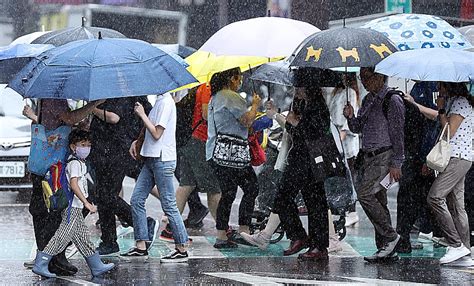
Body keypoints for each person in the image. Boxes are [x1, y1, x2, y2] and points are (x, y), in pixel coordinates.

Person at [22, 99, 103, 274]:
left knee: (49, 212)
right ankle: (50, 258)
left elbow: (54, 124)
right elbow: (68, 118)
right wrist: (92, 106)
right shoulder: (53, 97)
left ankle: (52, 258)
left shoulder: (49, 97)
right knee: (54, 212)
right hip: (51, 167)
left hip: (45, 166)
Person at [32, 130, 115, 278]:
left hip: (76, 207)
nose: (86, 148)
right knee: (62, 236)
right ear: (72, 146)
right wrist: (86, 203)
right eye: (82, 145)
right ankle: (41, 263)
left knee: (83, 238)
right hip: (73, 208)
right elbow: (74, 184)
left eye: (88, 145)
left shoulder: (79, 162)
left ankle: (96, 266)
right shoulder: (75, 163)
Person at [407, 82, 473, 266]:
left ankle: (456, 244)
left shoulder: (461, 103)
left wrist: (442, 109)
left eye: (441, 85)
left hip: (459, 157)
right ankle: (465, 251)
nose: (438, 89)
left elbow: (449, 132)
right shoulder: (454, 101)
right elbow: (441, 125)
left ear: (450, 86)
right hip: (455, 157)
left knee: (435, 197)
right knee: (457, 206)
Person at [343, 67, 405, 263]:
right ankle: (385, 249)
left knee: (365, 194)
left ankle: (390, 237)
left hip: (384, 158)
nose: (364, 82)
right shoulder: (369, 99)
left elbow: (398, 134)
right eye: (361, 78)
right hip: (368, 158)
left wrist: (397, 163)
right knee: (379, 198)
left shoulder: (392, 100)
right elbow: (357, 128)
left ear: (379, 76)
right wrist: (350, 117)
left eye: (367, 77)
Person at [124, 92, 190, 263]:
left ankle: (181, 248)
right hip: (150, 158)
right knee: (137, 200)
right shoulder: (159, 101)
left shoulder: (166, 102)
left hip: (162, 160)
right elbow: (149, 130)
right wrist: (138, 141)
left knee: (169, 205)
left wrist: (142, 114)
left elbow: (157, 133)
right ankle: (141, 245)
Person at [270, 85, 332, 261]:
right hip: (301, 158)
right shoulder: (301, 103)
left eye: (300, 87)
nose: (296, 90)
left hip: (309, 160)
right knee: (313, 202)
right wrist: (292, 122)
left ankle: (311, 242)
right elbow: (298, 134)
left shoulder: (317, 106)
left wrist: (293, 122)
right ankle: (312, 242)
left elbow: (312, 134)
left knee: (306, 201)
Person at [90, 97, 154, 255]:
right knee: (103, 196)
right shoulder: (117, 92)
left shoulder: (121, 93)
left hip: (116, 151)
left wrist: (91, 109)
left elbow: (114, 117)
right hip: (103, 151)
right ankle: (109, 240)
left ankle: (142, 225)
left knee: (107, 196)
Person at [206, 68, 261, 249]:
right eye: (239, 78)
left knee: (228, 193)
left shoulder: (215, 97)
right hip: (233, 154)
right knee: (252, 187)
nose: (240, 82)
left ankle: (222, 236)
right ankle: (244, 231)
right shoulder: (231, 96)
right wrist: (255, 106)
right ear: (231, 78)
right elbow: (246, 120)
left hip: (215, 151)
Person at [162, 83, 221, 241]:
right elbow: (206, 114)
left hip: (191, 140)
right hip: (201, 141)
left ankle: (170, 228)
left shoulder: (200, 88)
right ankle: (223, 230)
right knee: (214, 189)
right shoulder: (207, 87)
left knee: (186, 186)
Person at [324, 73, 360, 227]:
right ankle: (342, 209)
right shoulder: (337, 92)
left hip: (345, 140)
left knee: (349, 175)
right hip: (335, 136)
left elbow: (347, 120)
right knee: (341, 176)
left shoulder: (349, 93)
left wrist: (341, 137)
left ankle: (352, 211)